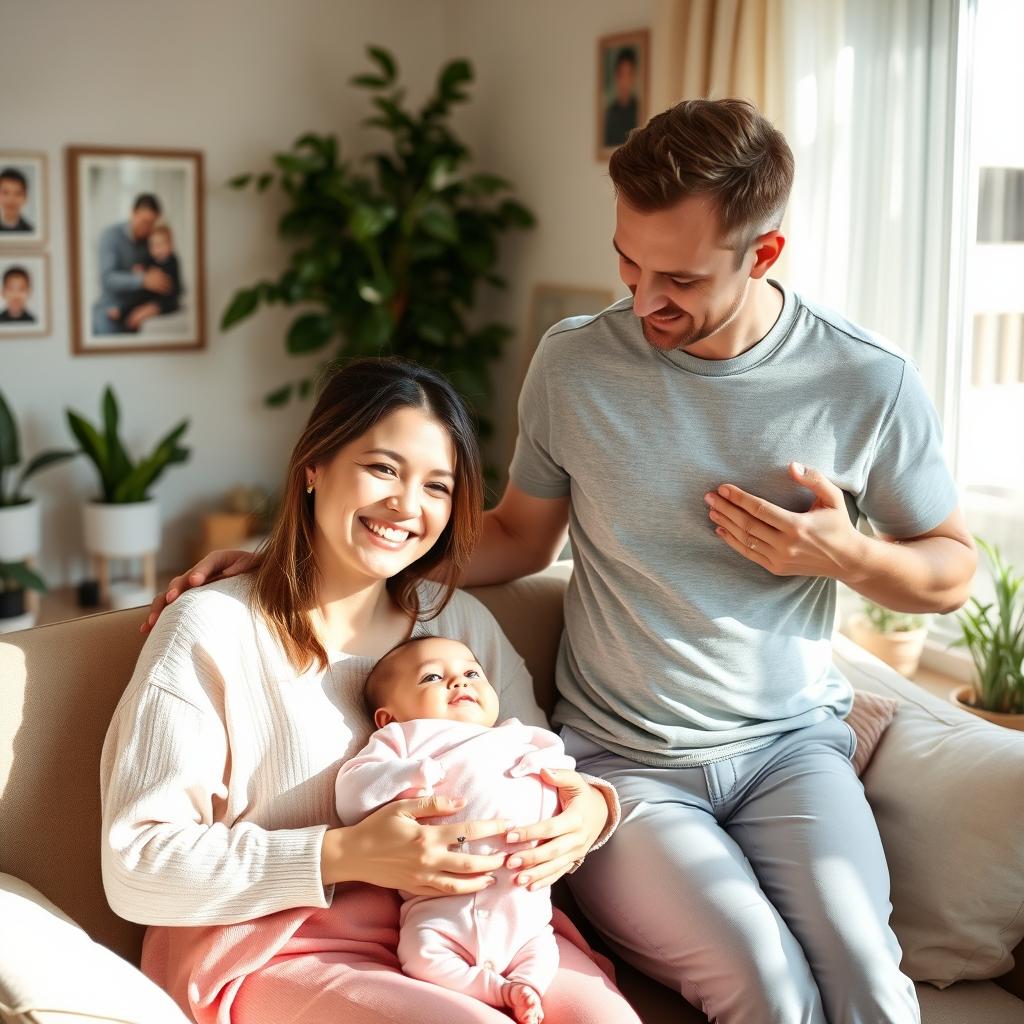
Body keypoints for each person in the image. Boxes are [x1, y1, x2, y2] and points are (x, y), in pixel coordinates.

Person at [147, 98, 978, 1023]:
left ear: (765, 254)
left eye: (679, 278)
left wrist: (849, 556)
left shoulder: (864, 381)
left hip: (791, 750)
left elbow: (950, 570)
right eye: (628, 259)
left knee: (868, 974)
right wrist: (291, 555)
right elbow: (512, 537)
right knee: (767, 987)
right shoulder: (576, 364)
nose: (643, 298)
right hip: (628, 761)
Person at [102, 358, 639, 1024]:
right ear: (314, 466)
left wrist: (588, 811)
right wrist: (343, 853)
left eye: (437, 486)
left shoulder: (459, 623)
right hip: (281, 945)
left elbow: (540, 767)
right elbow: (136, 863)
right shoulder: (214, 627)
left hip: (483, 932)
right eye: (383, 468)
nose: (407, 506)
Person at [338, 635, 581, 1024]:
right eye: (432, 677)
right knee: (420, 956)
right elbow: (352, 795)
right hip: (441, 907)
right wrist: (410, 773)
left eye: (471, 673)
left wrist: (558, 776)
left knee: (543, 950)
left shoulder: (519, 735)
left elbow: (565, 770)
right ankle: (497, 990)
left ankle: (527, 985)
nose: (460, 682)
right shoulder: (404, 738)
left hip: (525, 909)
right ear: (390, 716)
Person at [92, 193, 175, 335]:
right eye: (144, 221)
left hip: (137, 319)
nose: (148, 228)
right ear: (132, 213)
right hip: (109, 316)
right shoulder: (110, 236)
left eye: (152, 223)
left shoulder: (150, 242)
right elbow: (106, 279)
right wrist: (142, 279)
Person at [107, 221, 182, 331]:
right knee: (136, 299)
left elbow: (173, 286)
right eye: (154, 246)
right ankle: (123, 311)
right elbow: (144, 268)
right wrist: (140, 270)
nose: (158, 249)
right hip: (149, 296)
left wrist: (159, 277)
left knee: (161, 304)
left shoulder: (172, 261)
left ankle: (141, 313)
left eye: (161, 244)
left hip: (166, 298)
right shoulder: (151, 260)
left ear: (171, 245)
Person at [603, 47, 639, 148]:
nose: (625, 81)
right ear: (616, 76)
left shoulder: (639, 111)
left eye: (629, 74)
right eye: (622, 74)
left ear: (633, 77)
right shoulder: (609, 115)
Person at [0, 167, 33, 232]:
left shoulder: (30, 230)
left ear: (25, 197)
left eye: (18, 193)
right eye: (5, 192)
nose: (11, 199)